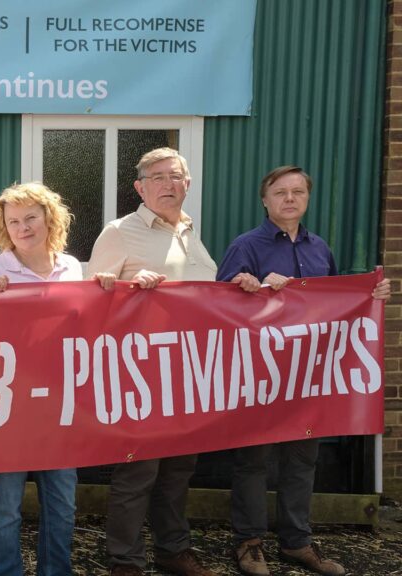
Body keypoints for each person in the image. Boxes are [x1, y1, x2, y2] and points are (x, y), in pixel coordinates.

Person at [217, 165, 392, 576]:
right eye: (281, 192)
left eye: (298, 192)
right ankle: (250, 542)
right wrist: (253, 286)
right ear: (265, 199)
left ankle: (296, 543)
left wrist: (371, 294)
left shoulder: (320, 249)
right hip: (259, 376)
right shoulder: (246, 245)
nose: (290, 199)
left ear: (307, 198)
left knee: (301, 460)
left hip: (308, 377)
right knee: (253, 461)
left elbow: (335, 304)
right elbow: (218, 305)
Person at [87, 147, 218, 576]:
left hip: (189, 374)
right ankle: (125, 560)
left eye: (175, 175)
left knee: (179, 471)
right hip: (140, 376)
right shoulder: (120, 232)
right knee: (137, 472)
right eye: (157, 177)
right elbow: (91, 300)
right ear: (140, 188)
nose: (168, 184)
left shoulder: (190, 231)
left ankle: (172, 550)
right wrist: (125, 290)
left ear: (188, 183)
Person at [0, 182, 113, 576]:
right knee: (4, 505)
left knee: (62, 503)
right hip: (11, 405)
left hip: (60, 405)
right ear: (4, 227)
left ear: (49, 218)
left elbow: (85, 326)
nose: (23, 227)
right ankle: (6, 571)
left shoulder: (72, 268)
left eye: (31, 217)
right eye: (13, 221)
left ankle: (57, 570)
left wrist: (101, 291)